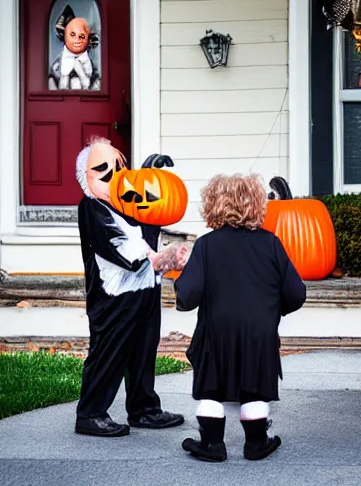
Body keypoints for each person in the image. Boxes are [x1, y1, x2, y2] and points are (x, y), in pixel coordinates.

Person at [174, 173, 306, 462]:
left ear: (213, 205)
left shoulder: (207, 246)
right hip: (259, 331)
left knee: (212, 387)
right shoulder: (271, 243)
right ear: (257, 205)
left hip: (216, 329)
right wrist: (272, 311)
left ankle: (211, 445)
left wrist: (181, 278)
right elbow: (296, 292)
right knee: (255, 386)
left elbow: (188, 294)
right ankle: (256, 444)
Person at [74, 137, 186, 437]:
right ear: (86, 178)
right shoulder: (92, 209)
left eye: (120, 168)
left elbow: (151, 223)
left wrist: (153, 177)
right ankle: (91, 413)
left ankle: (144, 408)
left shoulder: (129, 202)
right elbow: (129, 256)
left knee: (143, 351)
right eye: (103, 171)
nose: (114, 177)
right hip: (113, 298)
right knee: (109, 353)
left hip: (145, 292)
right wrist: (169, 258)